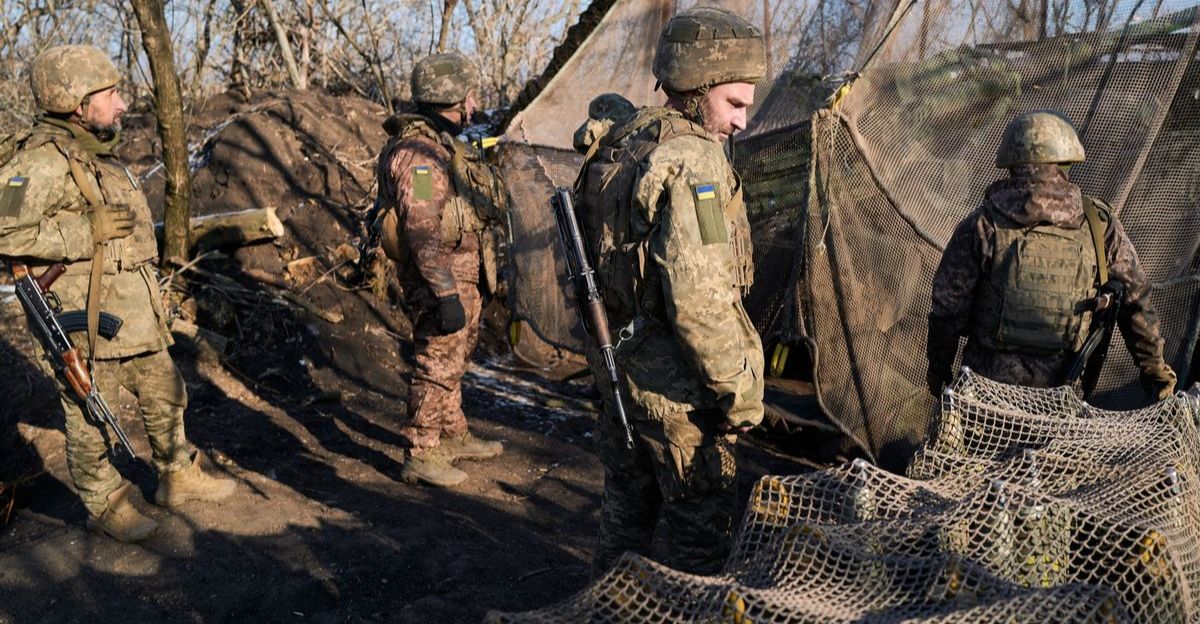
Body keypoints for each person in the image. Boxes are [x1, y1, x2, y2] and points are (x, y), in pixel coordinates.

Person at [0, 45, 235, 542]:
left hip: (132, 311)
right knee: (90, 416)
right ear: (77, 103)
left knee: (166, 391)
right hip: (85, 321)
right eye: (110, 94)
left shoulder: (91, 151)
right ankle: (105, 504)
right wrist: (85, 231)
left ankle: (177, 475)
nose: (122, 104)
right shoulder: (38, 162)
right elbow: (3, 229)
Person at [572, 7, 766, 575]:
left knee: (624, 523)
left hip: (620, 374)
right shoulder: (693, 162)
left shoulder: (628, 141)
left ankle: (605, 609)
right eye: (734, 103)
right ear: (698, 88)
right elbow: (699, 302)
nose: (742, 122)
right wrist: (740, 394)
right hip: (679, 397)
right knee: (697, 555)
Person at [926, 110, 1176, 400]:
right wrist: (1156, 372)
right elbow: (1136, 300)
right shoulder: (1098, 224)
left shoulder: (981, 225)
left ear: (1012, 163)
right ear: (1066, 162)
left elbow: (948, 309)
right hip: (1062, 399)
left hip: (985, 397)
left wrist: (939, 369)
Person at [374, 52, 508, 487]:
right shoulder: (419, 156)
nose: (474, 105)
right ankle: (422, 450)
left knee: (455, 356)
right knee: (437, 362)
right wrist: (445, 293)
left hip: (458, 273)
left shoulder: (439, 144)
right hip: (440, 277)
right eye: (469, 96)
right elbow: (421, 226)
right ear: (452, 98)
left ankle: (451, 431)